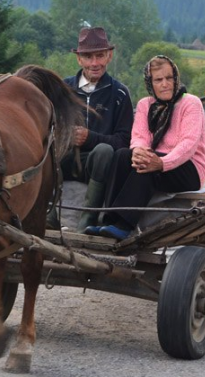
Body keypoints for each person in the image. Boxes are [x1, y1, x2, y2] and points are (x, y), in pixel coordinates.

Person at [90, 55, 205, 240]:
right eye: (158, 80)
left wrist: (161, 163)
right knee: (121, 155)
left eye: (169, 78)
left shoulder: (190, 103)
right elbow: (139, 137)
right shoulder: (146, 104)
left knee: (147, 166)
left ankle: (125, 225)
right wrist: (138, 151)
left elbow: (188, 144)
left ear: (176, 78)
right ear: (150, 83)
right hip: (156, 160)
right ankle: (109, 220)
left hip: (188, 167)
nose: (165, 84)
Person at [48, 26, 134, 233]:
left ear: (109, 56)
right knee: (46, 147)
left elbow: (124, 141)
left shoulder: (119, 93)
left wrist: (90, 138)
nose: (94, 63)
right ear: (79, 59)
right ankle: (49, 215)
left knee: (104, 150)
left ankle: (88, 218)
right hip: (64, 160)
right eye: (88, 57)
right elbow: (49, 127)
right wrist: (65, 137)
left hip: (98, 166)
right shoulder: (64, 90)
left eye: (100, 56)